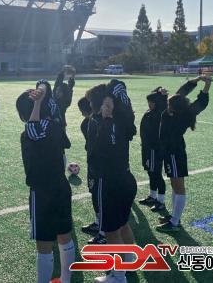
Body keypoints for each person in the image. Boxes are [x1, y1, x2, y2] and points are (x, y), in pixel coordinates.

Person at [16, 82, 75, 283]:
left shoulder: (29, 132)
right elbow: (64, 141)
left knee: (44, 244)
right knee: (65, 236)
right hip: (61, 186)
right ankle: (65, 280)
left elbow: (33, 129)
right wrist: (42, 97)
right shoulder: (55, 126)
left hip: (42, 192)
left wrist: (37, 102)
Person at [85, 80, 137, 283]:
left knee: (111, 231)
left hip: (108, 183)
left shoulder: (97, 122)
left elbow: (96, 152)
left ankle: (118, 276)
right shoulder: (122, 120)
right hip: (126, 179)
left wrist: (105, 115)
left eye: (91, 102)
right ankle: (130, 262)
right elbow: (119, 87)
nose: (89, 105)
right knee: (123, 224)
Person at [156, 75, 212, 232]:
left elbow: (194, 99)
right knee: (175, 186)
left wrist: (203, 83)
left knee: (178, 187)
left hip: (174, 154)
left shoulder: (175, 115)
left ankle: (175, 223)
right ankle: (174, 217)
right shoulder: (184, 112)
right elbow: (199, 101)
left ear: (174, 107)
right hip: (172, 153)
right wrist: (201, 81)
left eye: (169, 103)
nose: (167, 104)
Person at [78, 96, 107, 245]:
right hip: (95, 164)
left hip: (100, 166)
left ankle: (103, 232)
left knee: (100, 197)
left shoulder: (94, 122)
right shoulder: (89, 123)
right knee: (95, 194)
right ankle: (98, 223)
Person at [138, 87, 168, 212]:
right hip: (147, 149)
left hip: (155, 150)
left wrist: (163, 96)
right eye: (149, 102)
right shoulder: (150, 112)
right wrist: (158, 90)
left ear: (157, 103)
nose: (149, 104)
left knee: (156, 174)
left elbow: (163, 104)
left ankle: (161, 201)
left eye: (152, 102)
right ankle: (152, 196)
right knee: (151, 172)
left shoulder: (160, 113)